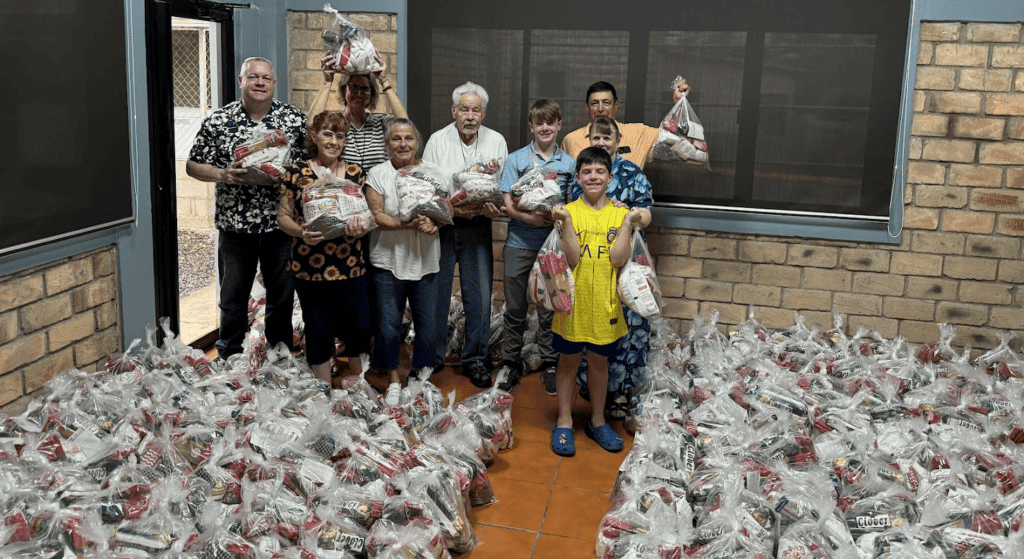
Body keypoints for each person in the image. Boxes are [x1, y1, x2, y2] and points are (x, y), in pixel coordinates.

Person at [186, 57, 307, 360]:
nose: (260, 82)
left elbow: (308, 165)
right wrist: (222, 174)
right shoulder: (219, 120)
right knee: (233, 296)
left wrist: (290, 175)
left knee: (281, 295)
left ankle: (279, 356)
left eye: (266, 78)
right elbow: (192, 164)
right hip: (235, 223)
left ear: (274, 84)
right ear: (241, 81)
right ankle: (229, 355)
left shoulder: (293, 120)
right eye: (252, 77)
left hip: (280, 223)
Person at [549, 147, 643, 457]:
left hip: (606, 304)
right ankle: (564, 420)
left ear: (610, 177)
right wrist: (565, 222)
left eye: (599, 171)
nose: (593, 176)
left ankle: (597, 420)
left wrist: (628, 222)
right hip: (571, 305)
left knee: (600, 362)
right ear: (577, 178)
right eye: (587, 172)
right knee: (568, 361)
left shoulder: (619, 213)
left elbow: (618, 259)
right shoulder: (569, 212)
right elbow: (572, 258)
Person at [422, 82, 508, 388]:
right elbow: (429, 187)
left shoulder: (496, 140)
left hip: (478, 226)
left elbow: (498, 189)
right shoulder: (437, 140)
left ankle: (475, 358)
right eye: (464, 109)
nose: (469, 116)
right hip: (443, 225)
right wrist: (451, 209)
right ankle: (431, 358)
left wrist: (493, 207)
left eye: (476, 110)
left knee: (479, 296)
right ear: (453, 111)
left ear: (483, 113)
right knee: (436, 293)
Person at [277, 112, 371, 385]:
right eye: (327, 134)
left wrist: (362, 227)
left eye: (340, 136)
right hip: (310, 267)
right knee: (318, 328)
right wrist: (301, 232)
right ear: (314, 137)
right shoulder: (296, 172)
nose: (333, 141)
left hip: (351, 264)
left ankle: (357, 387)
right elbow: (283, 217)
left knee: (358, 328)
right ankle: (323, 392)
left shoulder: (355, 172)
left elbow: (365, 215)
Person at [570, 117, 654, 421]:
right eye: (596, 137)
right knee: (591, 322)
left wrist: (632, 217)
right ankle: (592, 388)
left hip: (626, 262)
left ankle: (620, 392)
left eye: (608, 138)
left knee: (627, 326)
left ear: (617, 141)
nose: (602, 142)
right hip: (590, 261)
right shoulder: (582, 170)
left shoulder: (633, 173)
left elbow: (647, 212)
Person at [496, 99, 575, 394]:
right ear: (531, 126)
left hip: (553, 248)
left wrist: (556, 218)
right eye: (538, 122)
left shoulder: (569, 164)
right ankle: (510, 363)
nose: (544, 127)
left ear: (558, 125)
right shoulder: (516, 160)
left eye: (550, 122)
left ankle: (550, 362)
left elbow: (573, 203)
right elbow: (507, 204)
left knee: (549, 308)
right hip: (519, 243)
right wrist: (531, 218)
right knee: (515, 308)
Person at [365, 118, 444, 406]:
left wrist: (435, 223)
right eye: (396, 139)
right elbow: (377, 215)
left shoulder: (432, 173)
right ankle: (394, 379)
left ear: (417, 143)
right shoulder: (378, 174)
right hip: (388, 261)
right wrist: (408, 224)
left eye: (408, 138)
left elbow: (445, 210)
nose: (403, 144)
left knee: (429, 327)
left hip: (426, 261)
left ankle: (418, 380)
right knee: (388, 326)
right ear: (388, 145)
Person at [561, 79, 690, 169]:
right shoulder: (571, 140)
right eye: (595, 103)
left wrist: (679, 105)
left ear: (615, 106)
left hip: (624, 207)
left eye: (606, 102)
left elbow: (681, 143)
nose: (600, 108)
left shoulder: (638, 133)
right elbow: (563, 181)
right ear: (587, 108)